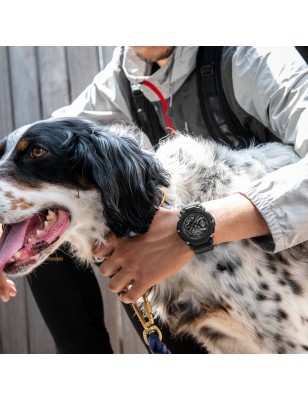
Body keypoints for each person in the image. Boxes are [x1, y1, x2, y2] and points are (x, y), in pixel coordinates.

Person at [3, 46, 308, 354]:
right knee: (62, 215)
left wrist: (189, 231)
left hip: (274, 250)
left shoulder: (252, 54)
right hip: (202, 265)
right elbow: (51, 138)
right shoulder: (127, 74)